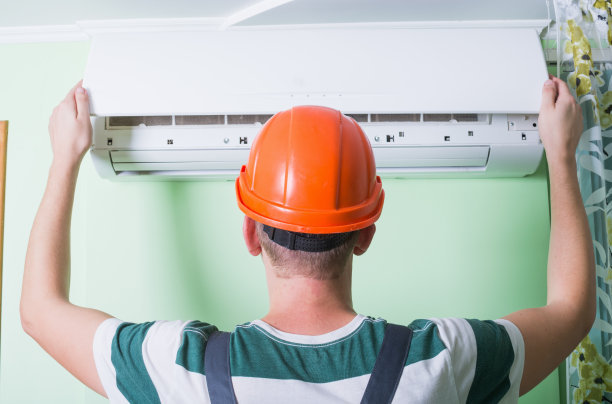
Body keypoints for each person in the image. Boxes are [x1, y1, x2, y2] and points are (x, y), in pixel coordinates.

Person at [20, 76, 594, 403]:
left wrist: (64, 158)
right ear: (365, 234)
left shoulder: (180, 368)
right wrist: (561, 156)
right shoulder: (439, 362)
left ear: (251, 233)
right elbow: (571, 311)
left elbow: (39, 312)